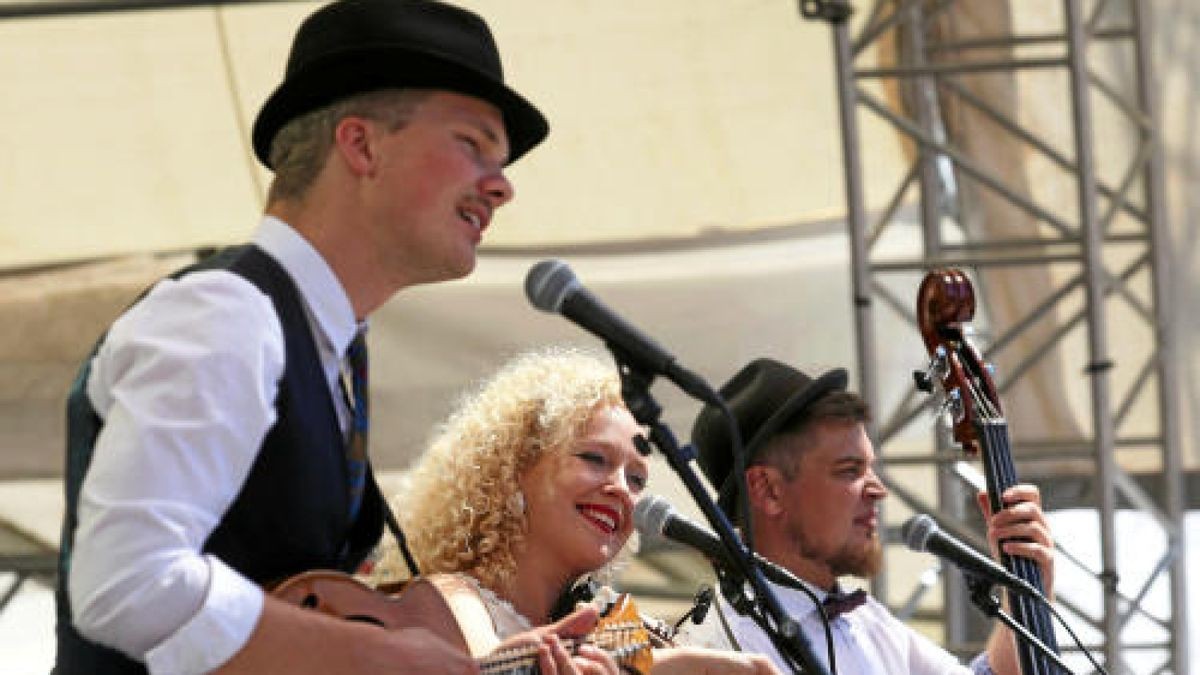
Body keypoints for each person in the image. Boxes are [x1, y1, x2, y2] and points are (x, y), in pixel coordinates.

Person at [53, 2, 608, 673]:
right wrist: (375, 653)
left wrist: (491, 663)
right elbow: (124, 579)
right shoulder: (225, 314)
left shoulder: (332, 349)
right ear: (362, 144)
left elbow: (310, 624)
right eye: (472, 143)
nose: (502, 187)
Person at [374, 347, 782, 675]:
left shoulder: (620, 631)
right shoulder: (450, 601)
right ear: (515, 468)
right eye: (594, 458)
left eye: (637, 479)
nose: (621, 489)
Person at [678, 358, 1057, 675]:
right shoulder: (724, 649)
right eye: (849, 470)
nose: (878, 489)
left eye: (870, 468)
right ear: (768, 490)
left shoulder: (867, 622)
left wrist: (1027, 588)